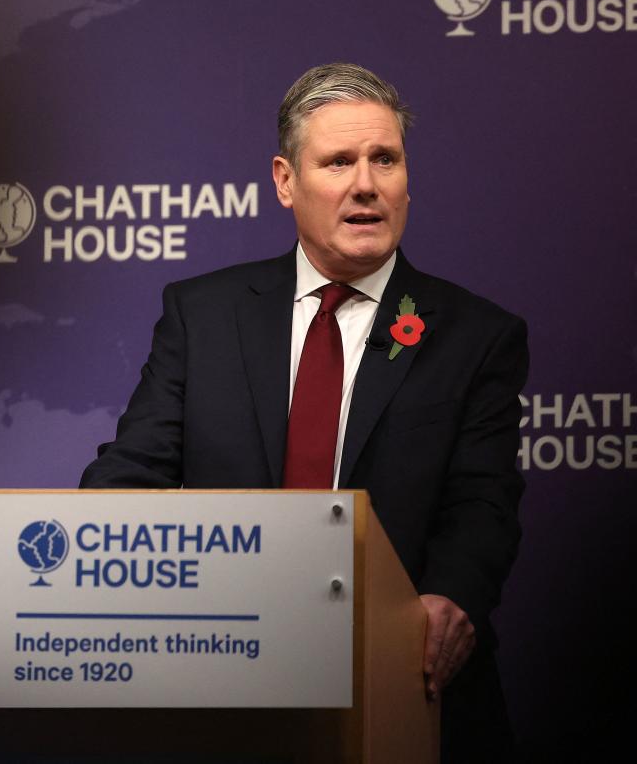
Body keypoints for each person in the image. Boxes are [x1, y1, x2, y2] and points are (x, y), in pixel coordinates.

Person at [81, 62, 527, 760]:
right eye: (339, 161)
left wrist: (452, 597)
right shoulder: (202, 316)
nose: (366, 184)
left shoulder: (476, 334)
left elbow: (483, 503)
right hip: (221, 684)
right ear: (286, 181)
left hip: (403, 689)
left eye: (386, 159)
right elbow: (130, 475)